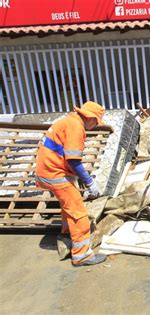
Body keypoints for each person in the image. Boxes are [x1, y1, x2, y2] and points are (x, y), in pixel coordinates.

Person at [35, 101, 107, 267]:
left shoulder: (66, 121)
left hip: (47, 171)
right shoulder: (76, 127)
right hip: (55, 173)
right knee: (79, 212)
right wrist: (89, 182)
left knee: (67, 206)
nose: (95, 126)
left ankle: (68, 235)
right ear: (89, 117)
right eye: (96, 122)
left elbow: (63, 154)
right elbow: (73, 160)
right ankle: (81, 255)